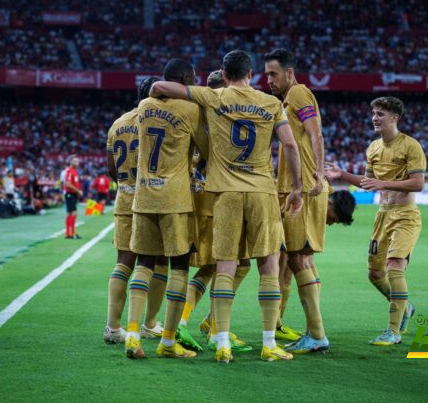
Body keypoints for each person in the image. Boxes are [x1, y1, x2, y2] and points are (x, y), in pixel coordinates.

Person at [150, 50, 303, 363]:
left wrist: (154, 89)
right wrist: (298, 188)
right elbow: (289, 144)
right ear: (250, 74)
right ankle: (269, 343)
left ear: (225, 71)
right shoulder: (271, 103)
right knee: (269, 267)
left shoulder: (213, 96)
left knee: (224, 267)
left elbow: (164, 87)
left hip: (225, 194)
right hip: (262, 191)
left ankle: (221, 343)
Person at [124, 59, 209, 359]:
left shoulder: (145, 105)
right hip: (175, 198)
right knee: (180, 267)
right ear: (186, 79)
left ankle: (132, 334)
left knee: (144, 263)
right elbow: (206, 150)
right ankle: (168, 342)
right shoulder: (190, 109)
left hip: (144, 195)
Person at [324, 96, 426, 346]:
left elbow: (418, 183)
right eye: (374, 113)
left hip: (405, 215)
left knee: (394, 266)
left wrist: (383, 183)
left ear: (394, 118)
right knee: (374, 273)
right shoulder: (373, 148)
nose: (374, 118)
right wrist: (343, 175)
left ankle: (393, 331)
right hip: (383, 216)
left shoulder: (411, 146)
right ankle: (405, 307)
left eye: (380, 113)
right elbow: (368, 182)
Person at [176, 69, 253, 354]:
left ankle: (201, 323)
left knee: (212, 266)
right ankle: (211, 326)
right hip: (219, 196)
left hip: (199, 194)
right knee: (236, 264)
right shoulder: (225, 111)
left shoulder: (196, 110)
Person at [264, 48, 330, 353]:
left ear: (289, 73)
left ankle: (317, 334)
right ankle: (313, 330)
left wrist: (317, 173)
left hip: (301, 188)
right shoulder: (287, 100)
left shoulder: (300, 93)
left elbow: (315, 133)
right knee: (301, 258)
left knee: (298, 257)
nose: (268, 80)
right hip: (297, 186)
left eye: (273, 74)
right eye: (266, 74)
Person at [104, 77, 169, 345]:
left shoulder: (118, 123)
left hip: (124, 197)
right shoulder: (158, 121)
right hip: (151, 198)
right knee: (157, 262)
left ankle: (112, 327)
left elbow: (111, 170)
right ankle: (150, 324)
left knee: (124, 262)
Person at [64, 156, 82, 239]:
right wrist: (78, 191)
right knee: (73, 213)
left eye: (77, 161)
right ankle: (70, 233)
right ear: (71, 162)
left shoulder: (75, 171)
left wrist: (77, 191)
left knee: (70, 213)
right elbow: (67, 183)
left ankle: (69, 233)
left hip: (73, 194)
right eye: (74, 161)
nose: (76, 163)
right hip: (70, 194)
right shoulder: (69, 171)